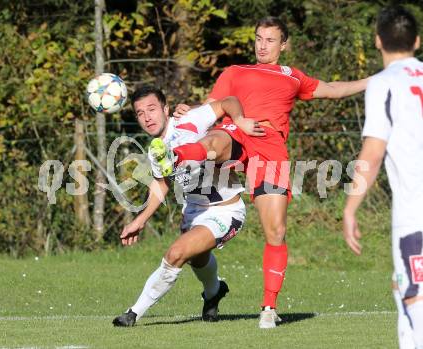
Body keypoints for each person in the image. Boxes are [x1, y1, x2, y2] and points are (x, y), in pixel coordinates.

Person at [174, 16, 368, 328]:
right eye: (259, 38)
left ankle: (268, 307)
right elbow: (213, 105)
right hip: (236, 134)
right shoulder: (236, 72)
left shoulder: (293, 77)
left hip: (268, 147)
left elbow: (331, 89)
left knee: (275, 231)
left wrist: (374, 81)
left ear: (283, 44)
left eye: (270, 40)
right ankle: (173, 156)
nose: (262, 46)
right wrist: (191, 109)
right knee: (214, 140)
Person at [113, 86, 255, 327]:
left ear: (166, 109)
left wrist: (239, 120)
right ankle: (214, 292)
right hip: (193, 211)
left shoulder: (189, 120)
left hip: (225, 211)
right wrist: (140, 220)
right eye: (139, 113)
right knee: (197, 258)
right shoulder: (154, 149)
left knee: (176, 254)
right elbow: (161, 185)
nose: (147, 117)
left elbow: (228, 101)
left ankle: (133, 313)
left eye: (151, 109)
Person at [343, 6, 422, 348]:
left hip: (415, 216)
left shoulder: (383, 83)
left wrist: (349, 209)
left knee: (415, 308)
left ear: (378, 41)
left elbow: (372, 153)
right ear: (417, 41)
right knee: (403, 291)